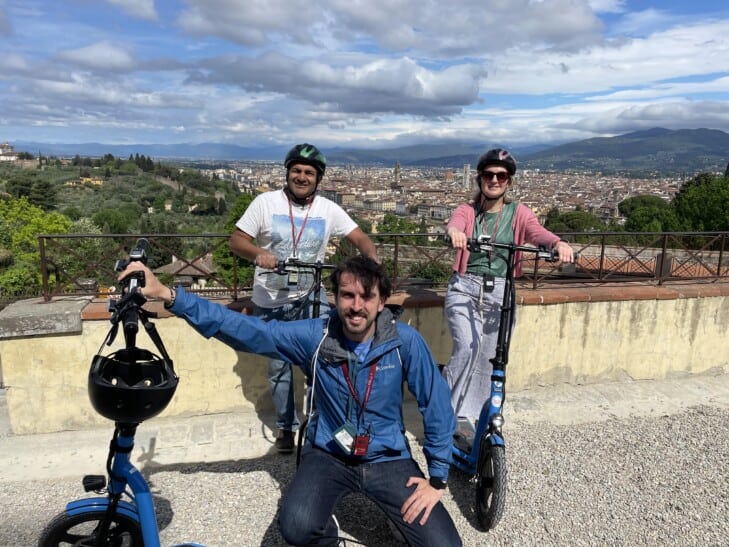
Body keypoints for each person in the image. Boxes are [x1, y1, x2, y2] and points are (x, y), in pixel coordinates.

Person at [120, 256, 462, 547]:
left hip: (387, 456)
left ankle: (396, 517)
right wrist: (170, 296)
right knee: (297, 526)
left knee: (444, 544)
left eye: (366, 296)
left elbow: (436, 404)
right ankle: (328, 537)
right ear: (334, 296)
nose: (356, 306)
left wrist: (437, 478)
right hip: (330, 453)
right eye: (347, 295)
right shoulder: (316, 335)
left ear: (381, 300)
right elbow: (249, 331)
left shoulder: (405, 342)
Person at [229, 143, 378, 453]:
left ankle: (324, 418)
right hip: (271, 301)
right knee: (278, 369)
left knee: (327, 360)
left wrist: (372, 259)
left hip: (311, 298)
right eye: (296, 170)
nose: (301, 177)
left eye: (308, 172)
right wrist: (259, 254)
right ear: (287, 173)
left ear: (317, 178)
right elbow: (237, 241)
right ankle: (286, 426)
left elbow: (360, 237)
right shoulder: (264, 203)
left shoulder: (327, 209)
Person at [444, 148, 574, 423]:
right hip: (465, 287)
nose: (494, 180)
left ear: (509, 182)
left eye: (501, 176)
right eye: (489, 175)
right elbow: (456, 223)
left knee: (492, 355)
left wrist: (556, 243)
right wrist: (455, 232)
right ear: (479, 178)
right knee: (467, 347)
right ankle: (446, 415)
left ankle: (475, 417)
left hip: (502, 290)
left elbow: (537, 232)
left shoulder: (519, 213)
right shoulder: (468, 211)